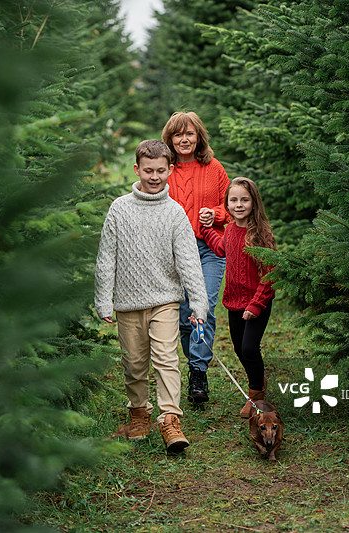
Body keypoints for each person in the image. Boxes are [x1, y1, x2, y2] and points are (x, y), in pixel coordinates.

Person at [94, 139, 209, 453]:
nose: (155, 176)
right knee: (134, 363)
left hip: (165, 300)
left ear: (170, 170)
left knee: (166, 360)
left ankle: (170, 418)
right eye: (148, 170)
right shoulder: (119, 209)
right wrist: (104, 299)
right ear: (137, 169)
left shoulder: (174, 213)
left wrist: (198, 301)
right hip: (128, 302)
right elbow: (107, 257)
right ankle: (139, 410)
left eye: (161, 170)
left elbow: (188, 260)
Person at [161, 111, 231, 405]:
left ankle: (198, 372)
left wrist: (214, 213)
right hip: (174, 251)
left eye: (190, 133)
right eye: (178, 134)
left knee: (205, 307)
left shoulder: (214, 168)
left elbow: (232, 207)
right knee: (183, 314)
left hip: (208, 249)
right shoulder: (165, 170)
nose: (184, 139)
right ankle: (194, 362)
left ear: (199, 136)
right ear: (170, 139)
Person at [200, 177, 276, 418]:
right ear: (227, 204)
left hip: (257, 303)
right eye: (233, 200)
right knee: (238, 349)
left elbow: (270, 274)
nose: (239, 204)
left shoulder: (261, 234)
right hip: (234, 302)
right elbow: (222, 247)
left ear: (254, 203)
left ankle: (256, 397)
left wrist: (255, 305)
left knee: (249, 348)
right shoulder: (231, 229)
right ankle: (258, 378)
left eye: (245, 199)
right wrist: (205, 230)